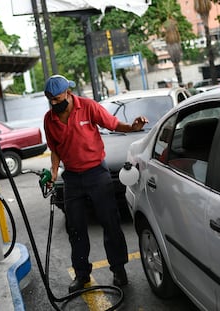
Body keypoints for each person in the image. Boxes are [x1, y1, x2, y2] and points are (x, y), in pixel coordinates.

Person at [43, 75, 149, 293]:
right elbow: (54, 149)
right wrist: (54, 172)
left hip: (96, 174)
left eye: (57, 98)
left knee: (110, 223)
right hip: (72, 178)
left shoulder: (88, 107)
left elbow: (113, 124)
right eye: (50, 100)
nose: (54, 103)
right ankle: (82, 275)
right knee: (76, 229)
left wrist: (132, 127)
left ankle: (119, 270)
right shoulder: (49, 119)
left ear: (68, 93)